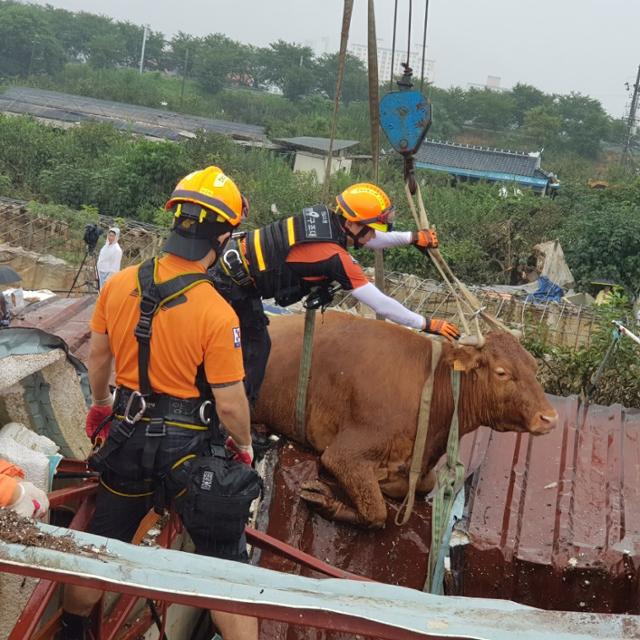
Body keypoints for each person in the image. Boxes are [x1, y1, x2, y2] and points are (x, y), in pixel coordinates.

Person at [61, 167, 258, 640]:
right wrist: (245, 448)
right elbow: (230, 405)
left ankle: (69, 631)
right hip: (189, 453)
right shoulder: (217, 311)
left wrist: (103, 403)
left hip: (126, 438)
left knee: (100, 554)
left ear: (175, 221)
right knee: (227, 571)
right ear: (225, 235)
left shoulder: (120, 282)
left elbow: (99, 358)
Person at [213, 182, 460, 406]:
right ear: (351, 223)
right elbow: (381, 304)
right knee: (256, 349)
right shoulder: (334, 257)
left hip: (228, 265)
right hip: (231, 287)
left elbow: (370, 239)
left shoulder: (323, 218)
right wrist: (426, 323)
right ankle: (234, 420)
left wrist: (412, 238)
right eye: (370, 229)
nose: (373, 235)